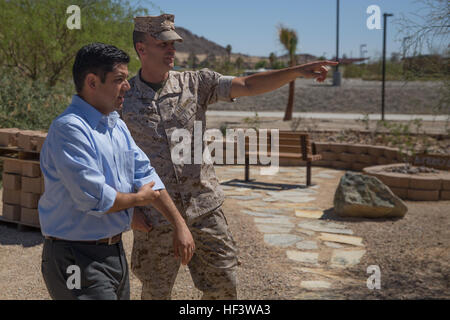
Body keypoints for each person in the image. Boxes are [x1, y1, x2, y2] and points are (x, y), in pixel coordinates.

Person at [122, 14, 338, 300]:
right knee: (155, 292)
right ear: (142, 49)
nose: (172, 49)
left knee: (223, 288)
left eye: (173, 43)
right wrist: (130, 209)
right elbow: (116, 156)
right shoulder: (123, 97)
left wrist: (295, 72)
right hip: (155, 216)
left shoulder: (196, 83)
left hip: (205, 210)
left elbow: (247, 84)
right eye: (163, 44)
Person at [38, 42, 195, 300]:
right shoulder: (70, 130)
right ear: (92, 82)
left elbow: (145, 174)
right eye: (119, 79)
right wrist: (139, 200)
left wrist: (179, 224)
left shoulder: (115, 126)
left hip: (113, 253)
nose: (128, 86)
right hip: (76, 257)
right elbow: (95, 198)